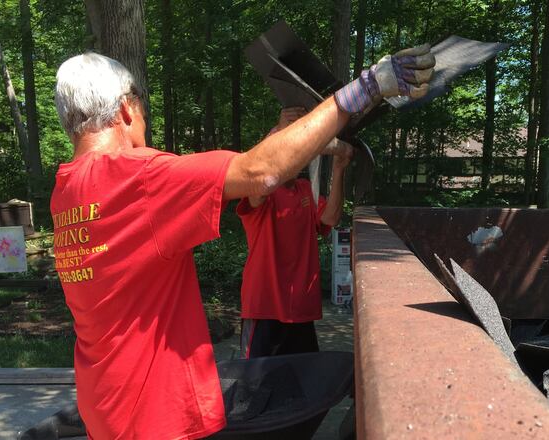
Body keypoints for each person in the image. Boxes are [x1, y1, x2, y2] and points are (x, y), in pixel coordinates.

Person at [50, 44, 434, 439]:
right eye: (144, 117)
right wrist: (367, 87)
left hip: (104, 405)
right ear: (127, 110)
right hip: (153, 417)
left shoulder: (66, 192)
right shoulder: (138, 178)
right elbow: (261, 171)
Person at [237, 107, 352, 359]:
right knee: (255, 387)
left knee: (301, 388)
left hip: (301, 308)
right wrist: (279, 133)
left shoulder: (305, 190)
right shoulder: (261, 191)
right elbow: (258, 175)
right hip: (264, 307)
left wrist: (339, 168)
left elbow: (331, 217)